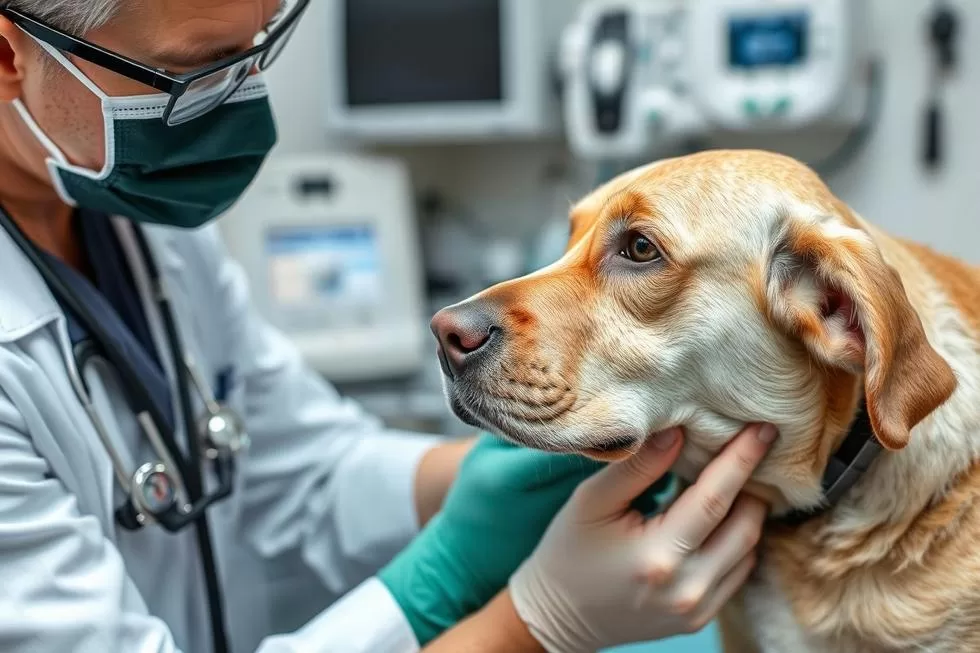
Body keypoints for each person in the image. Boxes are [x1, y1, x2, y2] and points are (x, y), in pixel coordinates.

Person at [0, 1, 776, 652]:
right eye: (195, 74)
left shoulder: (144, 227)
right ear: (9, 56)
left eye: (257, 49)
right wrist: (530, 622)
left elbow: (306, 470)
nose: (244, 99)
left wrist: (481, 478)